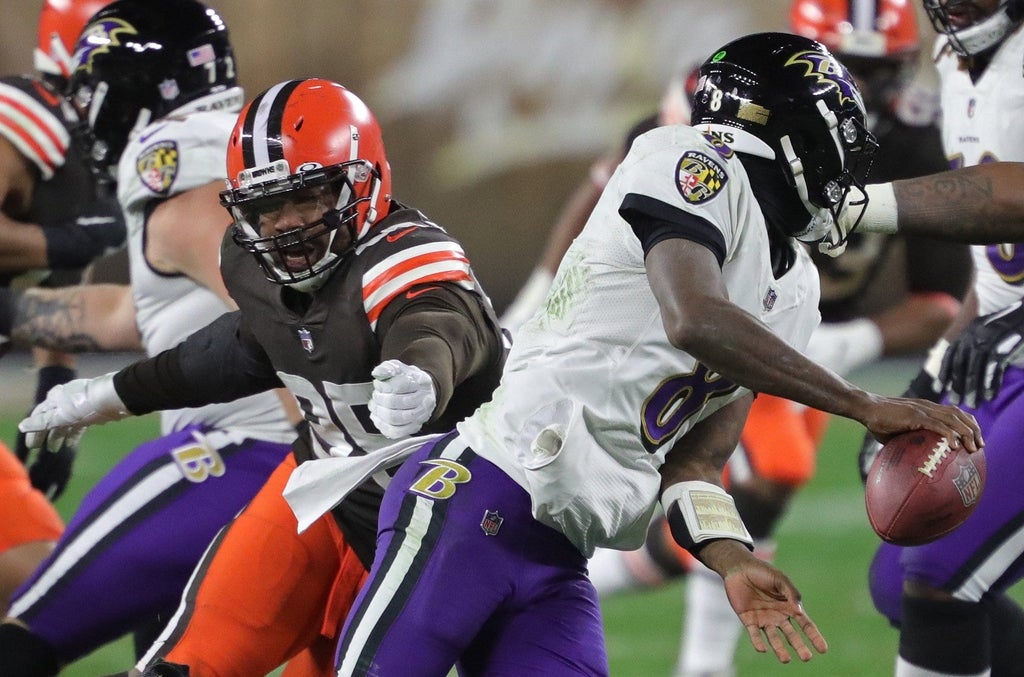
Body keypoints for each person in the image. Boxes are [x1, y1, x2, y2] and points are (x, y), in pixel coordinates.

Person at [272, 32, 984, 676]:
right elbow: (694, 318)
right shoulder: (690, 158)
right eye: (836, 134)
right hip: (475, 498)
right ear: (785, 134)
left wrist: (731, 557)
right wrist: (862, 403)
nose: (850, 158)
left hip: (559, 555)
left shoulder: (794, 287)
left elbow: (699, 458)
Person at [523, 3, 974, 675]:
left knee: (729, 488)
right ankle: (687, 650)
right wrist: (536, 292)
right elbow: (613, 191)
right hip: (686, 324)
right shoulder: (722, 104)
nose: (863, 91)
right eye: (847, 67)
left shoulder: (913, 134)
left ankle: (620, 602)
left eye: (879, 72)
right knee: (666, 477)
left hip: (797, 328)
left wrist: (851, 341)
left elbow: (942, 297)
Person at [18, 73, 508, 677]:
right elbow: (239, 349)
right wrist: (108, 395)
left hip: (451, 526)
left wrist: (423, 375)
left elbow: (435, 322)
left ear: (364, 181)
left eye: (308, 197)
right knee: (184, 667)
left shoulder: (405, 258)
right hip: (324, 492)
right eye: (266, 205)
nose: (286, 223)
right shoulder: (252, 268)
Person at [0, 1, 308, 674]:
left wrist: (316, 453)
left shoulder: (171, 160)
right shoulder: (238, 143)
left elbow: (285, 316)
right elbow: (142, 316)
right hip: (287, 460)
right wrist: (14, 315)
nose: (87, 107)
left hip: (250, 455)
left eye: (95, 86)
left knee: (24, 635)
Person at [856, 0, 1024, 674]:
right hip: (1003, 350)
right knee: (899, 577)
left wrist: (859, 208)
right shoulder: (956, 65)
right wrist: (932, 370)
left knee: (941, 570)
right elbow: (999, 266)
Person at [0, 0, 122, 617]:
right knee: (42, 593)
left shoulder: (86, 141)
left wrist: (54, 385)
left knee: (41, 588)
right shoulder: (26, 114)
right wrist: (68, 239)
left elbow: (62, 289)